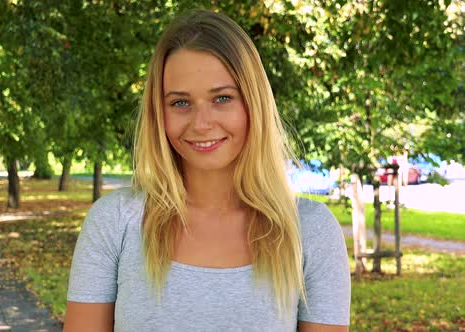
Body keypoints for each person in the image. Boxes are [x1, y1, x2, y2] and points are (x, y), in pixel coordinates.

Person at [64, 9, 350, 332]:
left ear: (253, 104)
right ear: (160, 113)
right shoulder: (115, 224)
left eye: (222, 98)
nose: (201, 124)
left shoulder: (310, 232)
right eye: (180, 103)